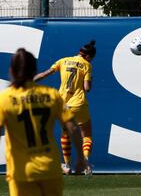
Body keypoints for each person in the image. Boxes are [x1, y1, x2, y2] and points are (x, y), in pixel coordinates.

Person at [0, 48, 87, 196]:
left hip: (22, 172)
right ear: (34, 71)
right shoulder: (51, 95)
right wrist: (80, 158)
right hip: (50, 169)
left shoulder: (5, 98)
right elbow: (73, 128)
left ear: (12, 71)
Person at [34, 40, 96, 174]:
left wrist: (30, 81)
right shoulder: (87, 65)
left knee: (65, 134)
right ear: (89, 56)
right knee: (87, 135)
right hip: (78, 104)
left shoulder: (63, 61)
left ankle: (67, 165)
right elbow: (87, 88)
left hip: (63, 104)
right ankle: (85, 163)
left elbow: (45, 73)